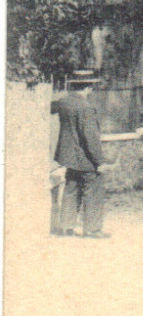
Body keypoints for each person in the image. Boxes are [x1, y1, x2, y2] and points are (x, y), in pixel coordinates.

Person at [51, 70, 107, 237]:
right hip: (85, 159)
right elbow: (90, 138)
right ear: (88, 87)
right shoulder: (86, 107)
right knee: (93, 190)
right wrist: (100, 162)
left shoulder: (63, 102)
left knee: (71, 188)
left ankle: (66, 227)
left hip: (68, 157)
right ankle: (92, 229)